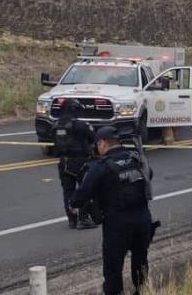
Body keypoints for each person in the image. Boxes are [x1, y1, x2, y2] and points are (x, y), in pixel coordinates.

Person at [72, 127, 153, 295]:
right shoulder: (136, 159)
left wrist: (74, 204)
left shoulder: (101, 166)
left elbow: (82, 194)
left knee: (113, 268)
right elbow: (149, 176)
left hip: (118, 224)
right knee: (140, 262)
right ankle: (143, 290)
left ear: (102, 143)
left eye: (97, 145)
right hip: (143, 220)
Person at [54, 98, 98, 229]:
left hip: (63, 162)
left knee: (68, 191)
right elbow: (93, 137)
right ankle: (83, 218)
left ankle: (72, 219)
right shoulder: (80, 125)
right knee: (85, 189)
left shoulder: (56, 125)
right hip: (80, 161)